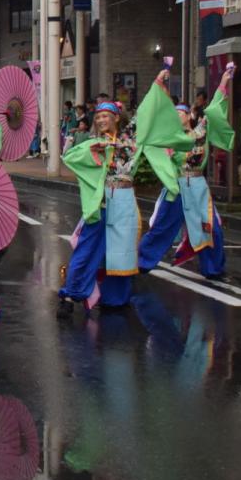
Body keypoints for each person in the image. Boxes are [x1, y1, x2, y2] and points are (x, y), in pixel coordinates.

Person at [58, 67, 192, 315]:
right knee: (88, 249)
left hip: (125, 201)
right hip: (102, 203)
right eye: (97, 117)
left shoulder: (130, 140)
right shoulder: (93, 142)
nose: (100, 120)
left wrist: (157, 84)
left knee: (122, 250)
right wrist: (93, 150)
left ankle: (115, 297)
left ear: (116, 118)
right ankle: (71, 294)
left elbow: (144, 115)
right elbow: (70, 157)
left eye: (105, 116)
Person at [138, 65, 236, 277]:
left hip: (198, 186)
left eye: (181, 112)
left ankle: (213, 268)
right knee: (162, 228)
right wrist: (159, 82)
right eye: (174, 112)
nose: (177, 114)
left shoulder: (200, 132)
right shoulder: (168, 137)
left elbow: (215, 109)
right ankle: (140, 262)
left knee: (210, 228)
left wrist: (223, 82)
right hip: (177, 186)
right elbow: (158, 110)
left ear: (189, 115)